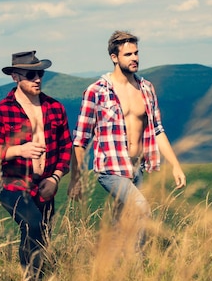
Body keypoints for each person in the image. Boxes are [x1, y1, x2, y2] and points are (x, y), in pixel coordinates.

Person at [68, 30, 186, 247]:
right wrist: (76, 179)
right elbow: (80, 139)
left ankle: (113, 266)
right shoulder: (96, 91)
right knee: (141, 208)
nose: (135, 58)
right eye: (128, 54)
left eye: (136, 53)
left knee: (125, 222)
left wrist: (175, 165)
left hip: (137, 167)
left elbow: (158, 130)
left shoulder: (147, 89)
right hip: (110, 169)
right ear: (114, 57)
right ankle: (137, 268)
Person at [0, 50, 72, 281]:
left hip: (45, 185)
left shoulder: (55, 107)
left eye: (40, 73)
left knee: (40, 235)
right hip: (13, 186)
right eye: (30, 75)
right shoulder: (2, 111)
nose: (37, 79)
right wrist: (18, 150)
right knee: (33, 224)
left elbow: (66, 147)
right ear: (15, 77)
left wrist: (55, 179)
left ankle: (34, 278)